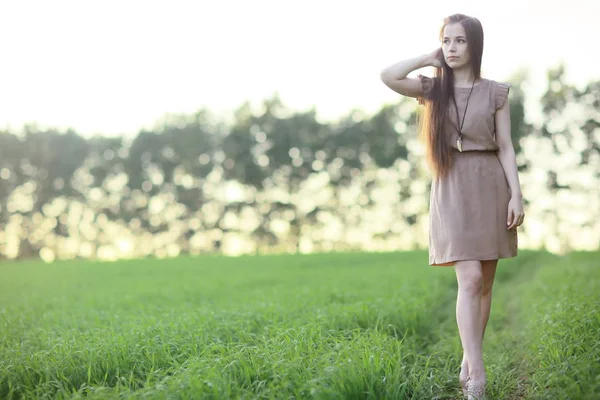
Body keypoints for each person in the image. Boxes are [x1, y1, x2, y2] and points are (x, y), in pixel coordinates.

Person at [379, 13, 525, 400]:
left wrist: (517, 193)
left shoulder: (496, 92)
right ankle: (476, 373)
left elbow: (506, 146)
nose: (452, 48)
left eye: (459, 41)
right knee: (471, 279)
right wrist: (428, 57)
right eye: (447, 41)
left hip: (490, 182)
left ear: (474, 45)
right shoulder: (433, 89)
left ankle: (467, 357)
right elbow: (389, 76)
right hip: (452, 186)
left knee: (487, 284)